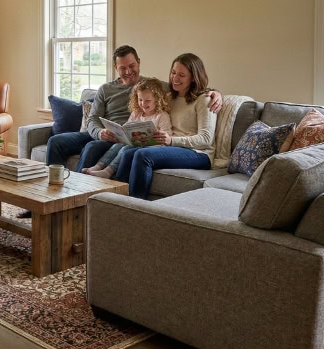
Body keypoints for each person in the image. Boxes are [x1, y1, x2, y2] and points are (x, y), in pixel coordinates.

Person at [17, 44, 221, 218]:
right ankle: (51, 201)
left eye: (132, 66)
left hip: (184, 148)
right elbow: (93, 119)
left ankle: (114, 207)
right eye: (173, 73)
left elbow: (201, 112)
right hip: (112, 134)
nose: (175, 78)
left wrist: (215, 93)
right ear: (115, 68)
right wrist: (100, 132)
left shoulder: (160, 87)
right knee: (59, 141)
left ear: (139, 63)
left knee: (114, 150)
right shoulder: (120, 90)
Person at [113, 53, 217, 199]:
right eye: (173, 72)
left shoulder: (204, 100)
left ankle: (135, 205)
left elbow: (206, 139)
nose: (175, 78)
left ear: (193, 77)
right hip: (172, 147)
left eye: (181, 75)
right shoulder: (168, 98)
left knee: (143, 155)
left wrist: (171, 140)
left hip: (198, 153)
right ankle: (115, 199)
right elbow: (149, 93)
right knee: (129, 152)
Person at [83, 77, 171, 179]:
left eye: (148, 100)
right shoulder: (136, 113)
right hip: (135, 143)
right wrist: (121, 133)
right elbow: (127, 127)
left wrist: (159, 136)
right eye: (140, 100)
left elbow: (167, 135)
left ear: (157, 99)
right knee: (117, 146)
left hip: (152, 147)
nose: (143, 104)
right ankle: (98, 166)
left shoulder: (162, 116)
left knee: (126, 148)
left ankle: (108, 171)